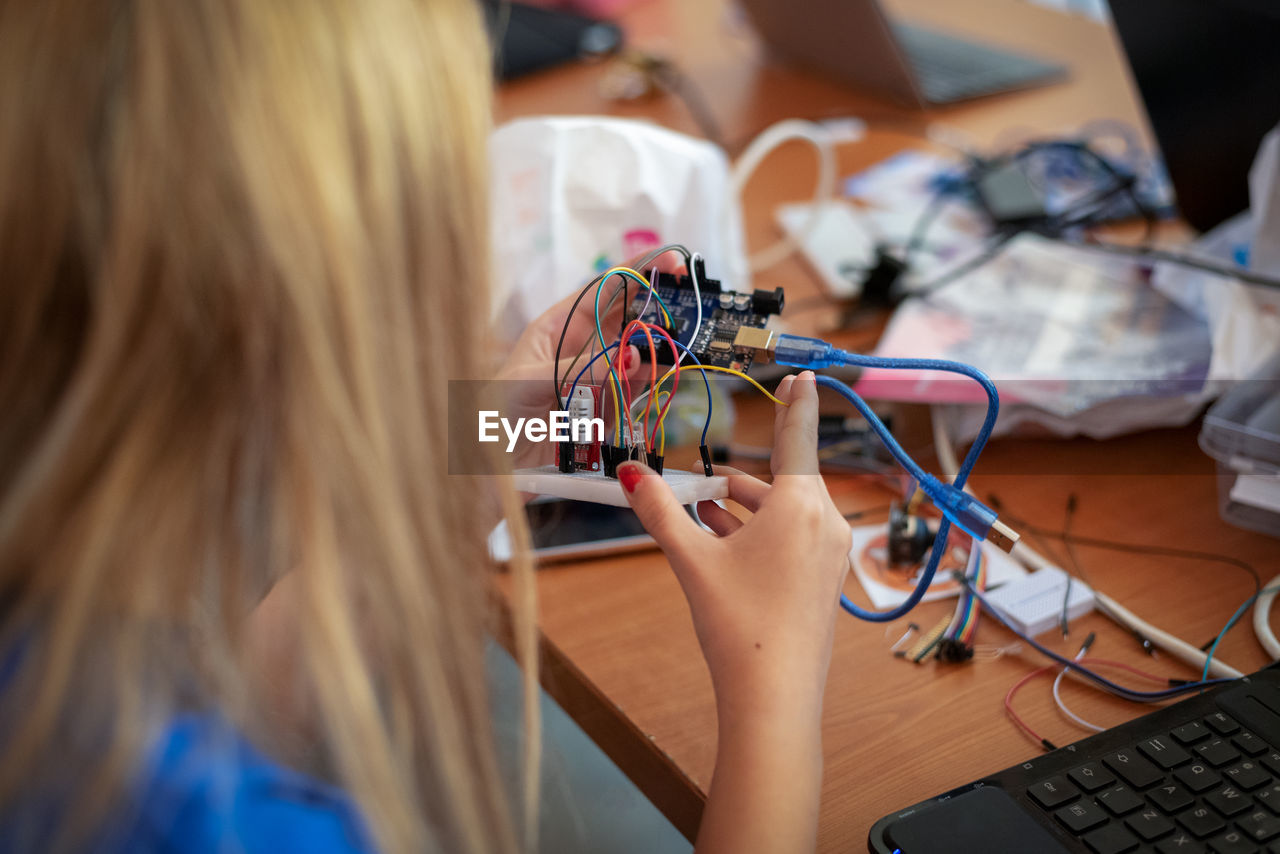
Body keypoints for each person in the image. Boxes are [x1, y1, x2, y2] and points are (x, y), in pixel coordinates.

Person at [0, 1, 854, 852]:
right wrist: (774, 689)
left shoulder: (56, 654)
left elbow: (230, 715)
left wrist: (482, 448)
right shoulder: (243, 832)